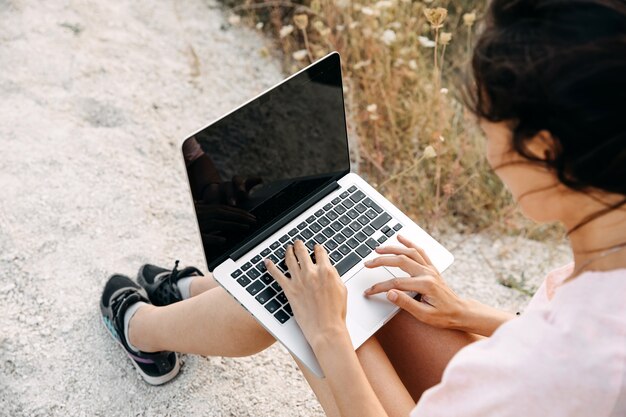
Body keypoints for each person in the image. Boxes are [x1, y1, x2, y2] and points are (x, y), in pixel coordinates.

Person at [99, 0, 626, 415]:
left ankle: (143, 330)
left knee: (299, 298)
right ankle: (190, 293)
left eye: (487, 127)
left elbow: (569, 359)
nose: (486, 151)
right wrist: (464, 311)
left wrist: (327, 332)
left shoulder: (577, 362)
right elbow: (561, 332)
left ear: (544, 149)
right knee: (353, 272)